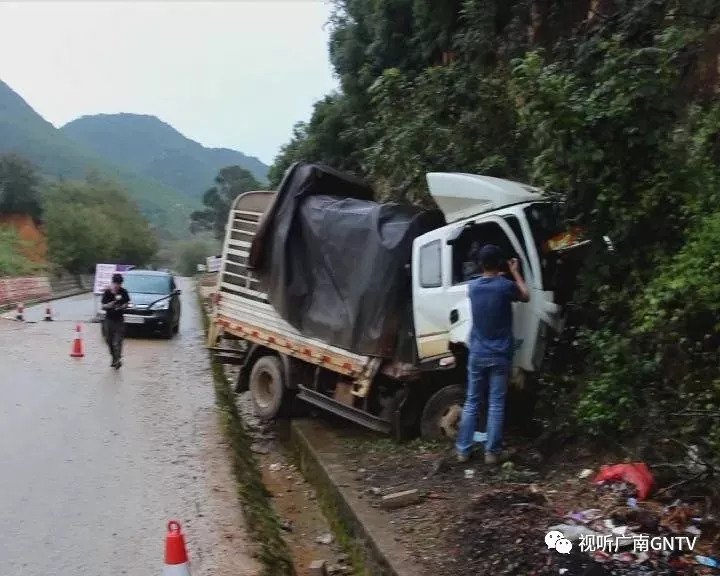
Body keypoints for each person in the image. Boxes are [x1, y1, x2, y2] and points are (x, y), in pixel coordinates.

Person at [456, 244, 530, 465]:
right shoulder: (505, 287)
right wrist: (514, 271)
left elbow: (484, 280)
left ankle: (463, 450)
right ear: (501, 264)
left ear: (480, 264)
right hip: (500, 355)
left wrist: (495, 271)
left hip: (477, 353)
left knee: (471, 401)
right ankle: (491, 452)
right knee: (496, 403)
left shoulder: (473, 286)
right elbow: (525, 296)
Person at [101, 273, 130, 369]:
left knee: (118, 341)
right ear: (112, 283)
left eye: (119, 284)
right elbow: (103, 306)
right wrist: (110, 305)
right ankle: (114, 357)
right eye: (115, 283)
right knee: (108, 341)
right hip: (109, 320)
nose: (117, 285)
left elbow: (127, 303)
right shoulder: (107, 292)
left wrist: (123, 306)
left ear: (121, 284)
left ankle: (117, 360)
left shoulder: (123, 292)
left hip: (119, 320)